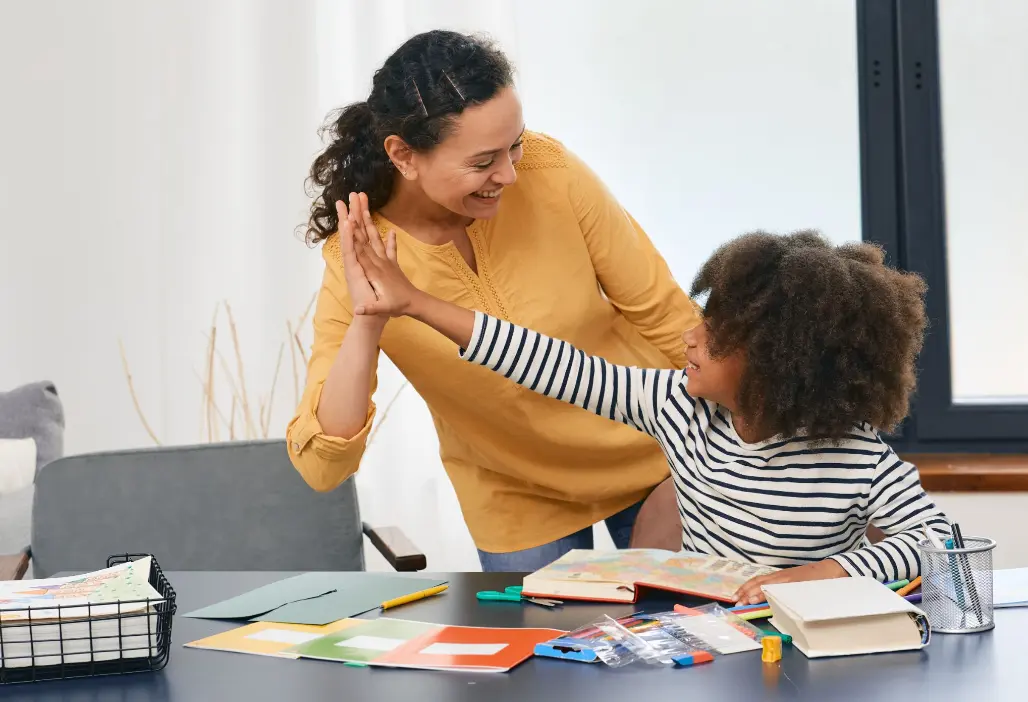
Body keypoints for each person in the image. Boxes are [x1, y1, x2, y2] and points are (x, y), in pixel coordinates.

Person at [345, 226, 952, 603]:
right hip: (709, 647)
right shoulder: (680, 409)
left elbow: (937, 540)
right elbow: (551, 363)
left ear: (777, 365)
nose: (690, 337)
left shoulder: (855, 455)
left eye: (716, 334)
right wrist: (418, 303)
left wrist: (821, 573)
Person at [286, 29, 702, 572]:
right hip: (515, 494)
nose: (508, 174)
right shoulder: (359, 254)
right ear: (403, 155)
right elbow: (324, 466)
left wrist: (740, 444)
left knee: (691, 640)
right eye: (483, 161)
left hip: (652, 453)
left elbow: (666, 313)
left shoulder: (550, 172)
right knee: (541, 657)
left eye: (515, 144)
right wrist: (369, 321)